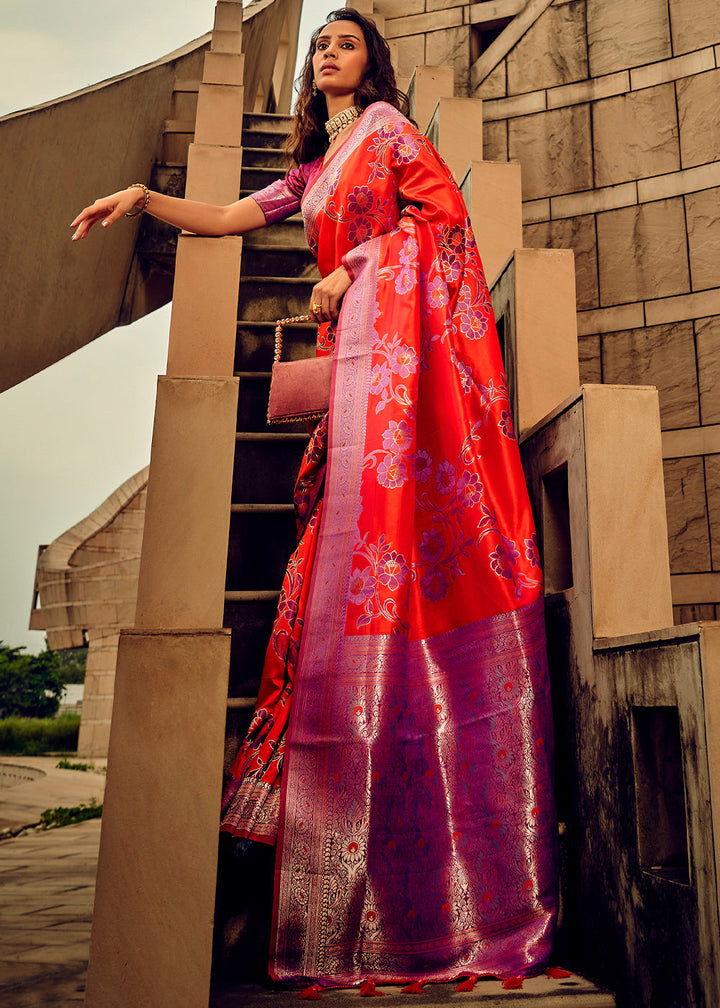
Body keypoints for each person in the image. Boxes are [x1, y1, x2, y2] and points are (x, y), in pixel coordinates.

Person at [71, 8, 558, 990]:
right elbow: (229, 220)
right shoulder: (315, 170)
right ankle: (312, 834)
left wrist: (355, 264)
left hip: (404, 389)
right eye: (319, 44)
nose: (328, 50)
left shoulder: (388, 134)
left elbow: (446, 229)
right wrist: (144, 198)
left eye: (346, 41)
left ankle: (437, 875)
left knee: (391, 582)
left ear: (372, 63)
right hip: (350, 392)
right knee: (319, 597)